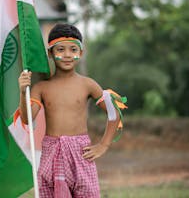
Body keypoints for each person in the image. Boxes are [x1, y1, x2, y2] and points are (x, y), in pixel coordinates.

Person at [18, 23, 126, 198]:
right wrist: (23, 93)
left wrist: (103, 145)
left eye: (73, 49)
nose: (67, 55)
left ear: (81, 53)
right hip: (52, 151)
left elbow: (114, 112)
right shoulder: (41, 88)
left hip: (81, 151)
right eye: (60, 49)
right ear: (50, 53)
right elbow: (27, 119)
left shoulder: (88, 85)